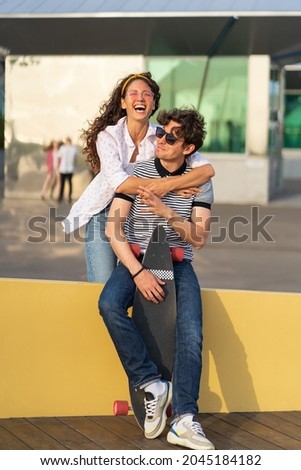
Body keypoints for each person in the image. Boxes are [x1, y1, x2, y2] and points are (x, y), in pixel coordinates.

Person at [98, 107, 215, 450]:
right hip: (136, 261)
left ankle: (184, 420)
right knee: (108, 304)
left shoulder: (199, 182)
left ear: (188, 148)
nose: (161, 140)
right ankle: (150, 383)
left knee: (190, 334)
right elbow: (112, 229)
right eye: (160, 133)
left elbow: (198, 237)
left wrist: (166, 211)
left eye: (171, 137)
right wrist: (138, 273)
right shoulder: (138, 174)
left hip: (179, 266)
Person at [62, 72, 215, 284]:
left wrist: (170, 184)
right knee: (104, 284)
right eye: (133, 93)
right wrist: (167, 186)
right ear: (123, 103)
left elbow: (206, 171)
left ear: (153, 105)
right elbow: (122, 183)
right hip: (104, 214)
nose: (140, 98)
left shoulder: (163, 137)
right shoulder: (107, 136)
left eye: (147, 94)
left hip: (139, 217)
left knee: (139, 287)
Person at [57, 137, 77, 203]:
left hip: (68, 168)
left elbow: (59, 156)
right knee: (64, 183)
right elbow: (59, 156)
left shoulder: (71, 149)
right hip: (65, 168)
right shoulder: (66, 148)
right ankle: (62, 196)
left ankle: (67, 197)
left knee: (68, 183)